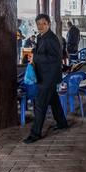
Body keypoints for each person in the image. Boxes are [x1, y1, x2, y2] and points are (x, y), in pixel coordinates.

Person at [23, 14, 68, 144]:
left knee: (40, 105)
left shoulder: (52, 38)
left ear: (48, 24)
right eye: (38, 24)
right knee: (54, 101)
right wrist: (33, 53)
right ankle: (62, 123)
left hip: (49, 77)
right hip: (43, 75)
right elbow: (42, 52)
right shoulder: (40, 37)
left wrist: (36, 58)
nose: (40, 26)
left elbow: (55, 58)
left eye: (43, 24)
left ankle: (35, 134)